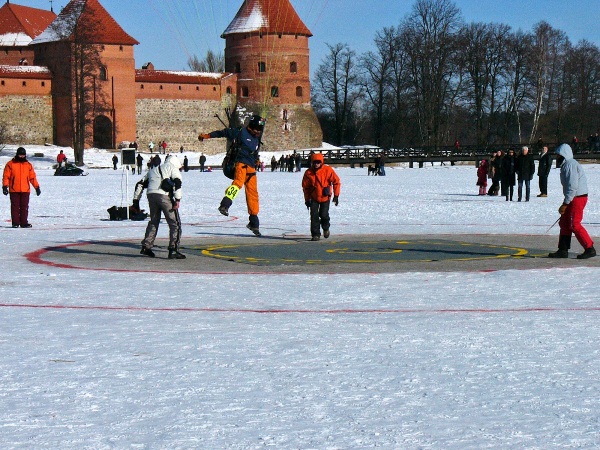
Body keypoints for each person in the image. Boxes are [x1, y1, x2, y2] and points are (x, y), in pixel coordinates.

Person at [198, 115, 265, 236]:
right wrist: (207, 136)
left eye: (259, 129)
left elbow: (254, 152)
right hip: (240, 164)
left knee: (253, 193)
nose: (257, 131)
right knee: (238, 184)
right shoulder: (240, 132)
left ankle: (254, 221)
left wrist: (256, 159)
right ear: (251, 126)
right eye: (256, 128)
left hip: (251, 167)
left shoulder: (257, 138)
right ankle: (225, 204)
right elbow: (223, 132)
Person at [133, 155, 185, 259]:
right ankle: (173, 249)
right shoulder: (172, 168)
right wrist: (177, 199)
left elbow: (140, 184)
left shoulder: (154, 169)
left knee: (154, 221)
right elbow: (178, 183)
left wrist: (136, 201)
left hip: (151, 195)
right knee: (175, 223)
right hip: (164, 196)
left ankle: (146, 246)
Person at [548, 144, 595, 259]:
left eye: (559, 154)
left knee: (574, 224)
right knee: (564, 223)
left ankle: (589, 248)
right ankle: (563, 250)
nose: (557, 157)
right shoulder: (567, 165)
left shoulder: (570, 165)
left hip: (577, 198)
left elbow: (572, 186)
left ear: (564, 154)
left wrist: (565, 203)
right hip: (573, 197)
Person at [301, 153, 341, 241]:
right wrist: (307, 199)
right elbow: (305, 187)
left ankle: (326, 228)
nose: (316, 164)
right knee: (314, 215)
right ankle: (315, 234)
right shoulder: (308, 173)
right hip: (314, 197)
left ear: (321, 162)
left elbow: (336, 182)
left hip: (325, 197)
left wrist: (336, 196)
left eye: (318, 162)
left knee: (324, 214)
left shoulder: (328, 170)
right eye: (314, 162)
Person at [2, 147, 41, 228]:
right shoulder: (10, 164)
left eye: (23, 155)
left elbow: (32, 177)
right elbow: (6, 176)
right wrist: (5, 186)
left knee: (24, 207)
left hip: (25, 189)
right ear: (17, 155)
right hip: (14, 189)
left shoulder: (28, 165)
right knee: (15, 207)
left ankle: (24, 222)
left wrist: (37, 187)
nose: (21, 157)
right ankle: (15, 223)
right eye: (20, 155)